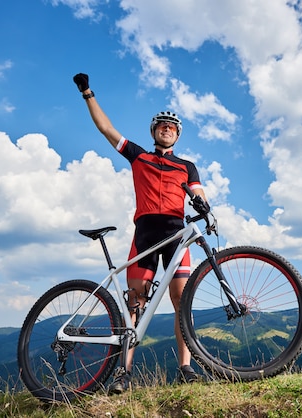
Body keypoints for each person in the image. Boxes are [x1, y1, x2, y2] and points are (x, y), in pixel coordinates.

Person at [73, 73, 206, 394]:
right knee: (135, 305)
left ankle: (185, 368)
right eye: (162, 125)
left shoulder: (187, 166)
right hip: (145, 234)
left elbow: (200, 195)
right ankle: (123, 373)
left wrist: (203, 205)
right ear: (153, 131)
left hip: (175, 235)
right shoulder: (139, 156)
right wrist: (88, 93)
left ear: (177, 135)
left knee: (181, 302)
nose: (167, 128)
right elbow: (107, 130)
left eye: (172, 127)